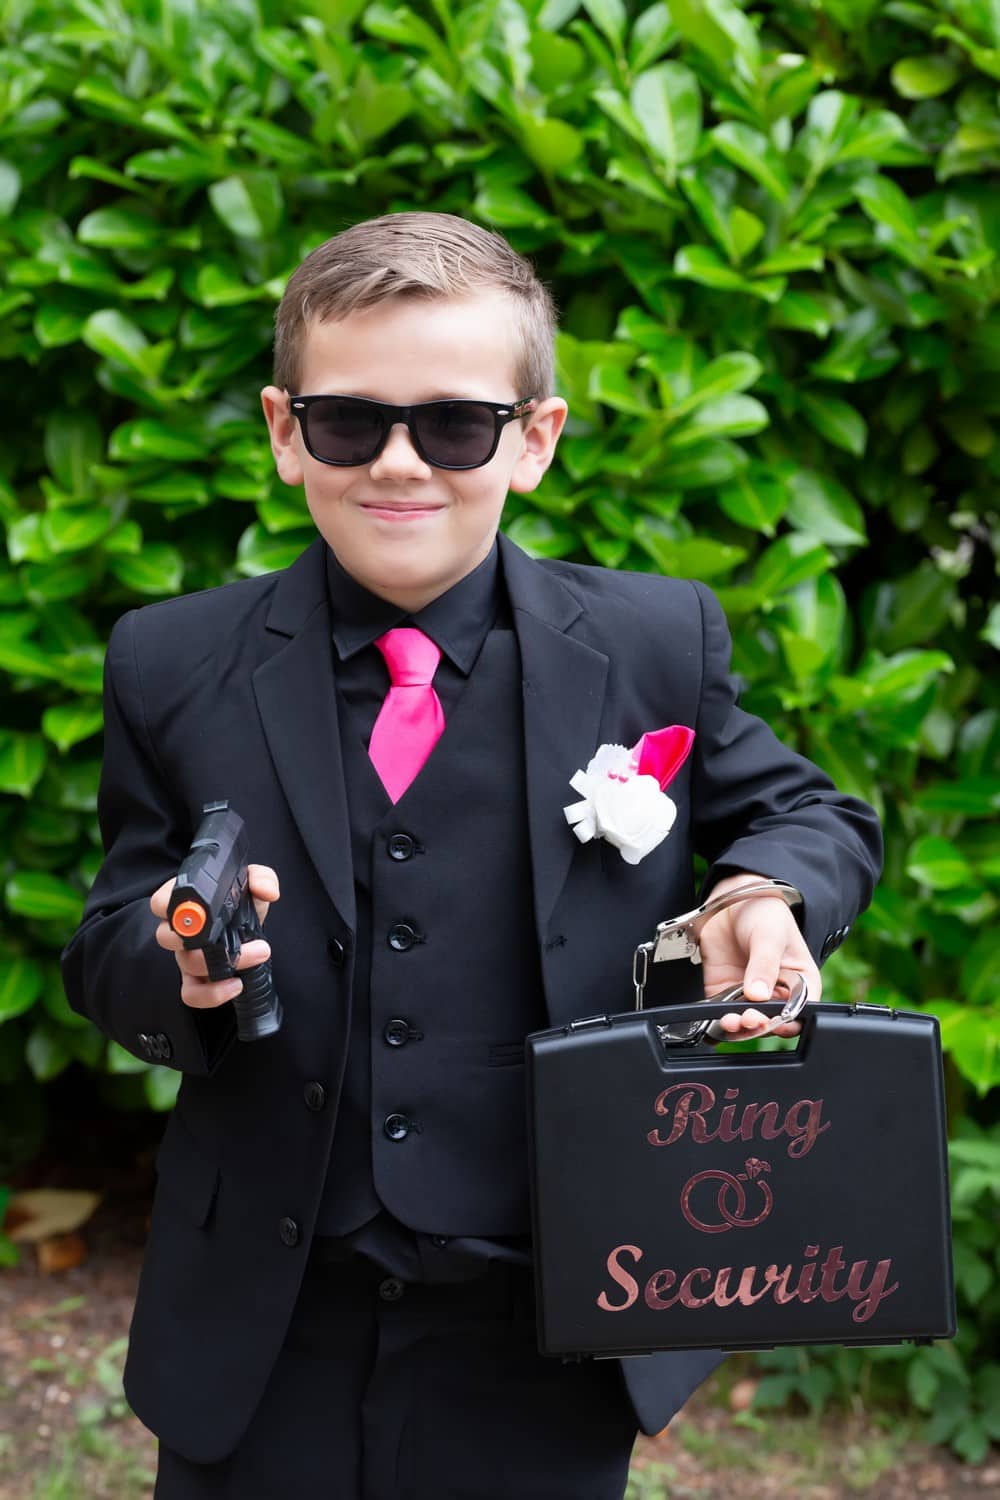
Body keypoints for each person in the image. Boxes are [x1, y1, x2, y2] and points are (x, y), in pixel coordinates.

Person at [60, 211, 882, 1499]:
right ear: (285, 432)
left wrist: (761, 895)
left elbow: (817, 816)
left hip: (552, 1307)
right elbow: (107, 936)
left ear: (534, 441)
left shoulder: (658, 642)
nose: (400, 465)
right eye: (348, 422)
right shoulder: (170, 663)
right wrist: (177, 963)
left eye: (453, 425)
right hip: (268, 1315)